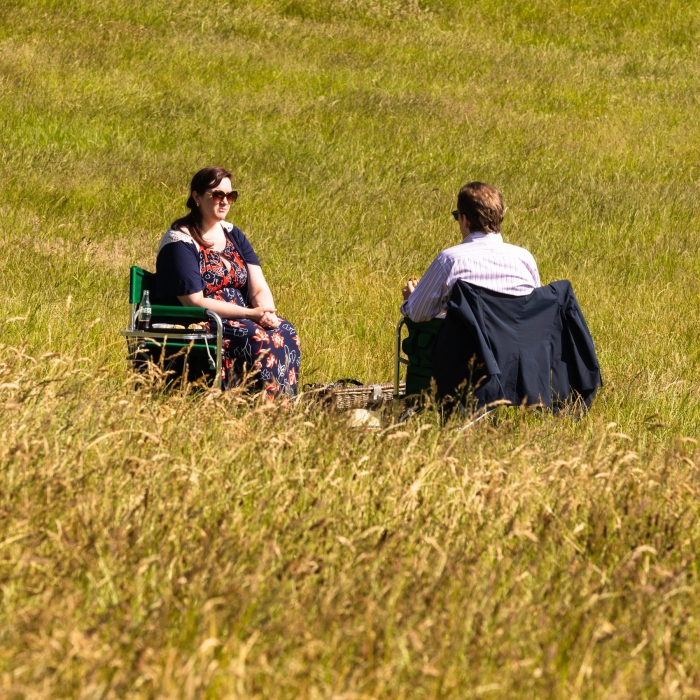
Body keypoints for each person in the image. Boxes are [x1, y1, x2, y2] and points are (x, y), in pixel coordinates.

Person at [153, 166, 300, 397]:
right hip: (205, 320)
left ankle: (284, 407)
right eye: (217, 195)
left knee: (286, 330)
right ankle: (256, 406)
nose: (225, 201)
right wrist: (250, 314)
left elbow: (258, 285)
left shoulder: (232, 233)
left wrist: (267, 311)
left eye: (230, 196)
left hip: (242, 315)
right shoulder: (179, 241)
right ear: (197, 197)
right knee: (258, 338)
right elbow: (194, 302)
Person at [401, 182, 541, 322]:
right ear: (501, 215)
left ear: (465, 220)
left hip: (469, 343)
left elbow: (417, 313)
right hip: (517, 342)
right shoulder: (525, 259)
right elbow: (534, 310)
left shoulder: (449, 261)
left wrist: (411, 299)